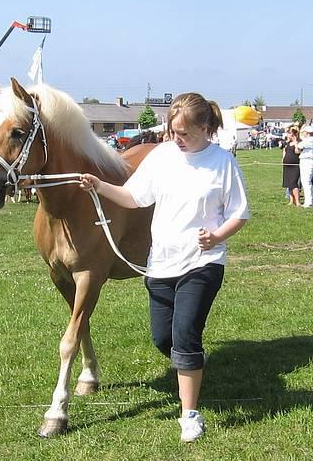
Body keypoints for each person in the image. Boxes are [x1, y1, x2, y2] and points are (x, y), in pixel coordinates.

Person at [79, 92, 249, 443]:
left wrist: (216, 236)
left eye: (183, 133)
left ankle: (190, 414)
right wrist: (99, 186)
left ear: (205, 128)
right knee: (164, 339)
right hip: (160, 265)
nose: (175, 139)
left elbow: (239, 213)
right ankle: (192, 366)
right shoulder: (161, 157)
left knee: (185, 335)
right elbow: (135, 197)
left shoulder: (223, 163)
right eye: (172, 132)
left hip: (203, 263)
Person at [296, 125, 313, 208]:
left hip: (307, 161)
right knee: (306, 182)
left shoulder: (309, 140)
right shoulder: (311, 140)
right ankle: (310, 199)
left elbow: (299, 146)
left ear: (307, 133)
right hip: (306, 161)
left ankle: (309, 202)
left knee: (306, 182)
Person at [282, 126, 301, 206]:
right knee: (288, 184)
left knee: (294, 183)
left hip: (295, 166)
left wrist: (296, 142)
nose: (287, 135)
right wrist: (283, 160)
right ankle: (291, 200)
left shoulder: (298, 143)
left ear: (293, 135)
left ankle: (297, 201)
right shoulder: (287, 143)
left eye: (289, 133)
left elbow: (297, 152)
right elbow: (284, 152)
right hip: (287, 166)